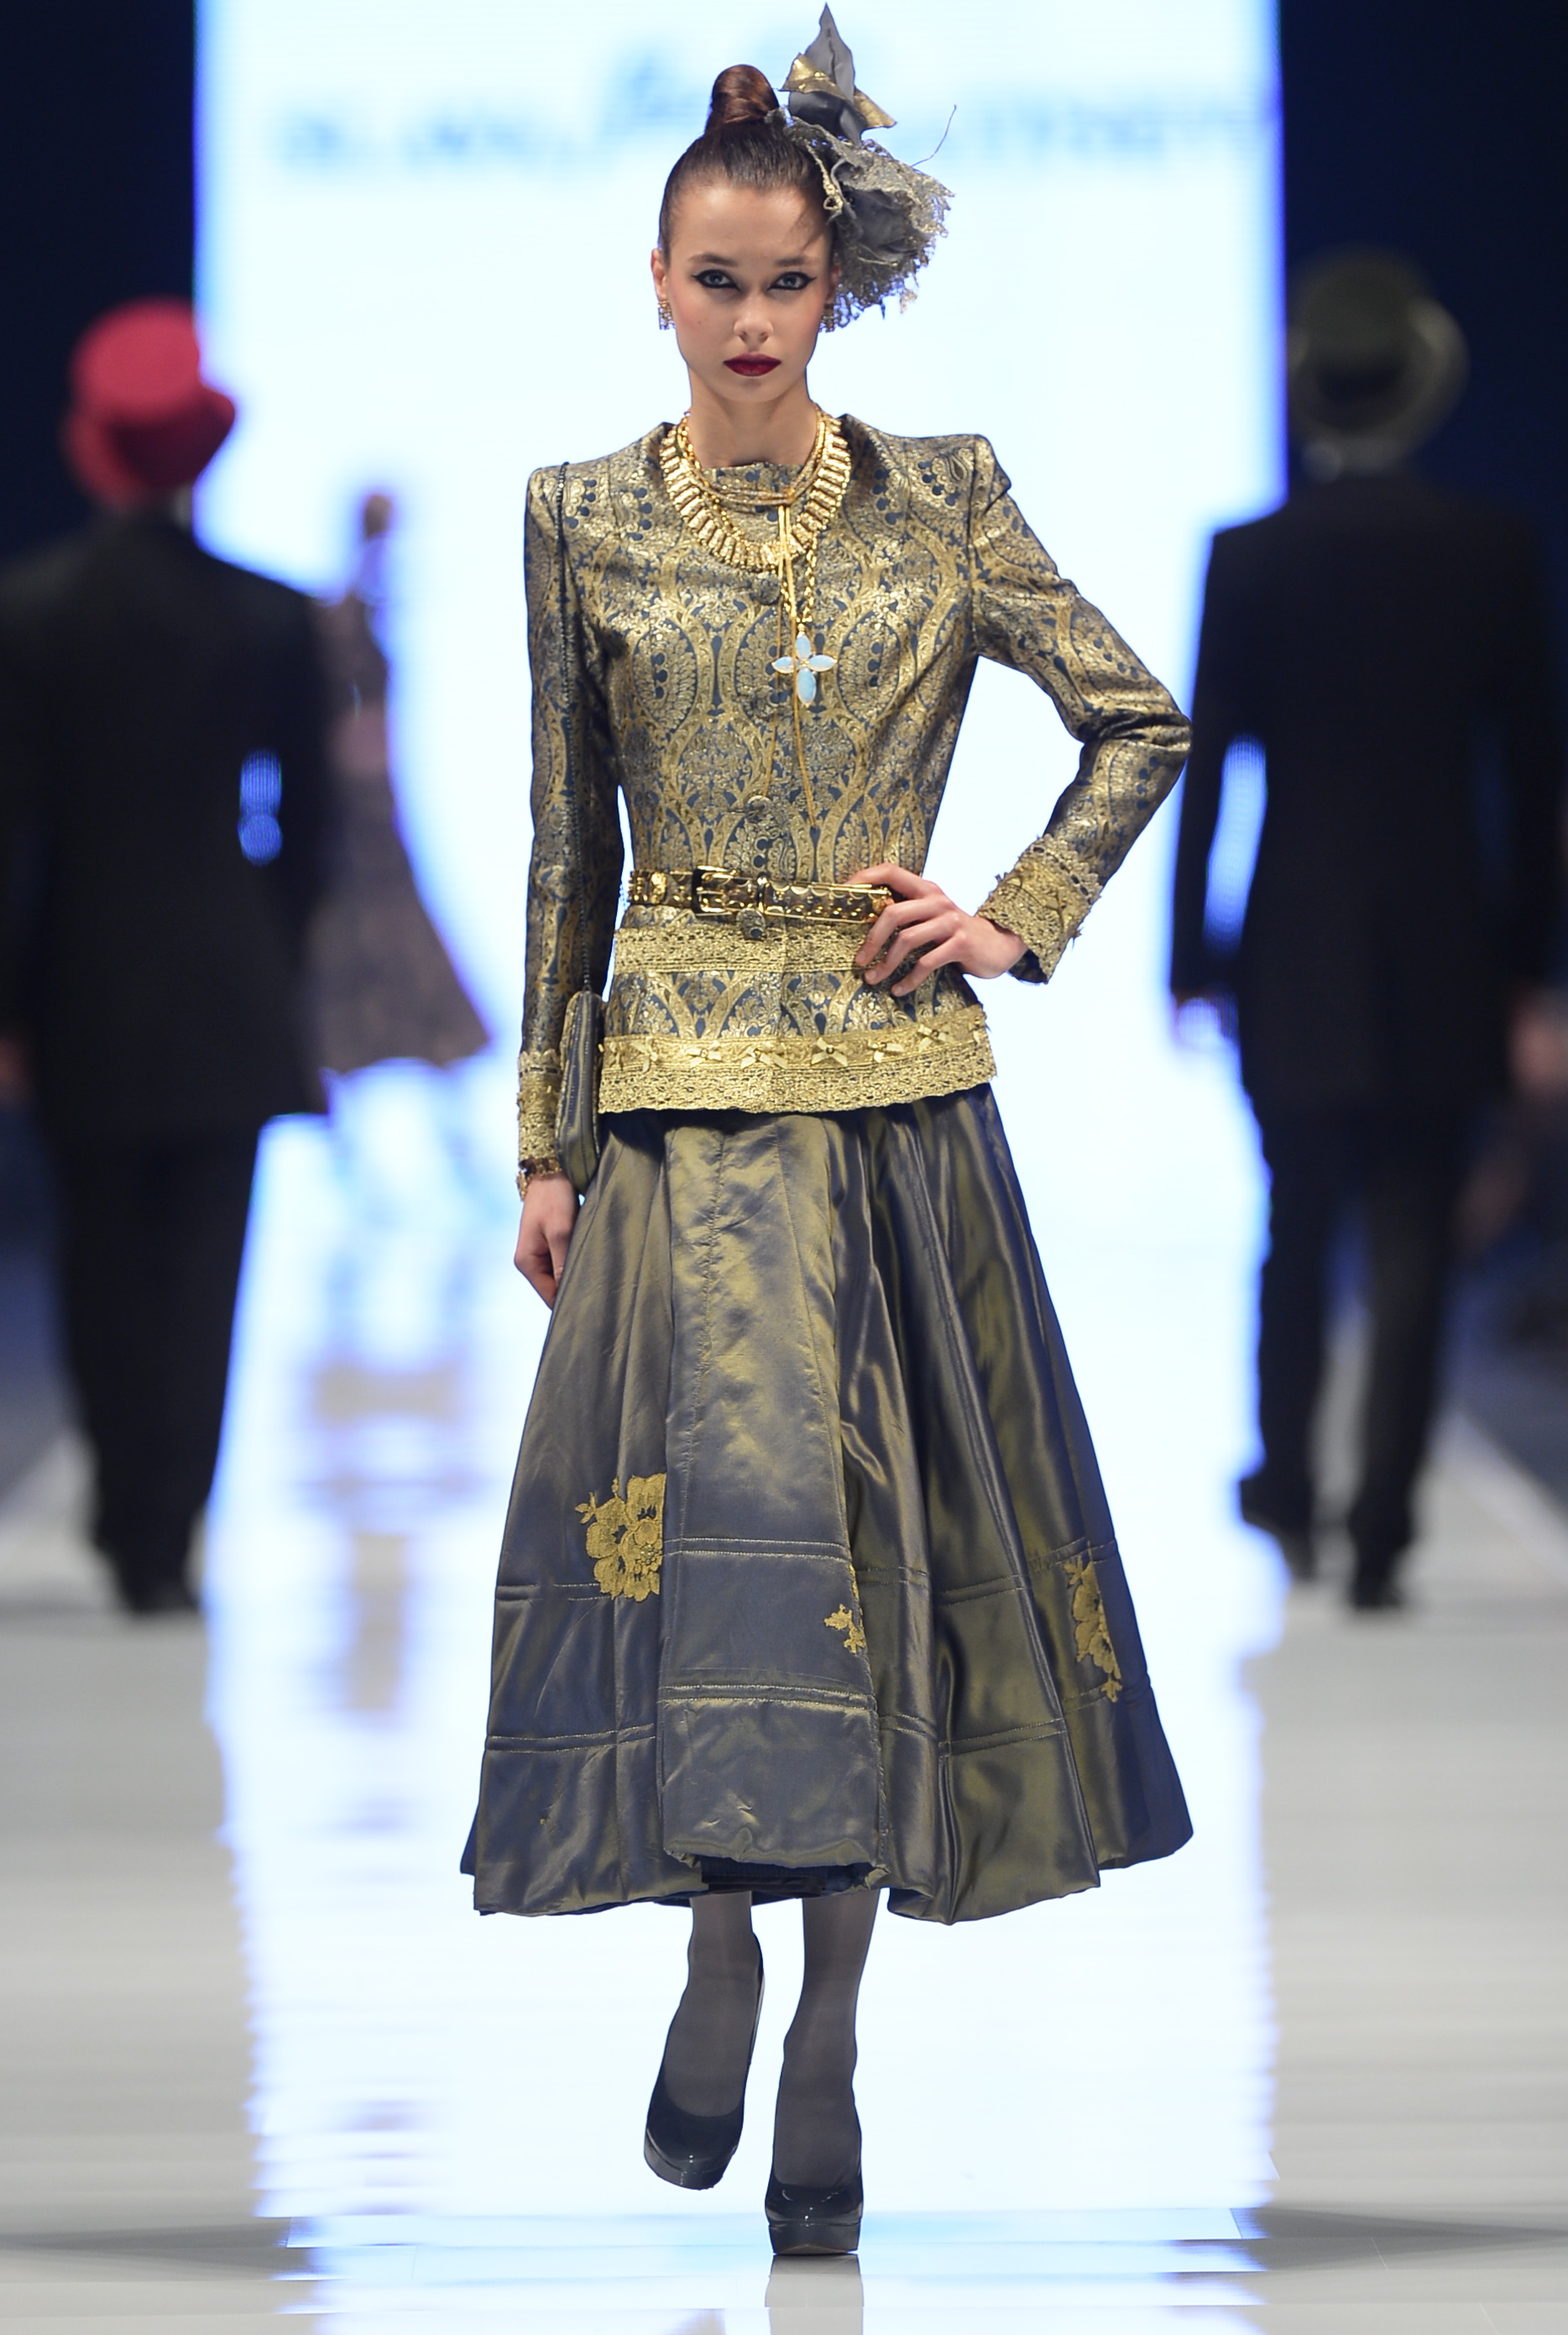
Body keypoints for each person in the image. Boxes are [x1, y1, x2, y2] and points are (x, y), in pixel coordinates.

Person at [463, 12, 1193, 2256]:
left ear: (833, 286)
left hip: (891, 1115)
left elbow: (1135, 718)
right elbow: (565, 850)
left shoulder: (940, 493)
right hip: (679, 1120)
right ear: (656, 283)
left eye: (788, 283)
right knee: (718, 1574)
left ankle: (832, 2033)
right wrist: (544, 1137)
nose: (755, 322)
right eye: (718, 282)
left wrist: (1008, 916)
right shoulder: (578, 514)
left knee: (867, 1578)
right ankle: (716, 1948)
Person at [1170, 251, 1564, 1611]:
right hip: (1449, 936)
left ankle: (1286, 1489)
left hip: (1290, 940)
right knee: (1412, 1228)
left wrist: (1190, 958)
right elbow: (1530, 774)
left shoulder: (1250, 557)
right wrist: (1528, 967)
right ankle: (1384, 1525)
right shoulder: (1489, 550)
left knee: (1298, 1219)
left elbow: (1206, 771)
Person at [0, 299, 329, 1614]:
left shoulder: (33, 615)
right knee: (202, 1274)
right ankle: (166, 1537)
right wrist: (272, 950)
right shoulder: (271, 617)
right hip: (224, 980)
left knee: (95, 1258)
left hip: (80, 975)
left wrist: (9, 1006)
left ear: (91, 447)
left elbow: (12, 832)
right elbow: (310, 830)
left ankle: (126, 1518)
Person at [308, 491, 489, 1086]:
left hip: (374, 794)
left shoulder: (365, 602)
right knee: (363, 912)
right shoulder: (345, 611)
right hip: (358, 797)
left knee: (386, 911)